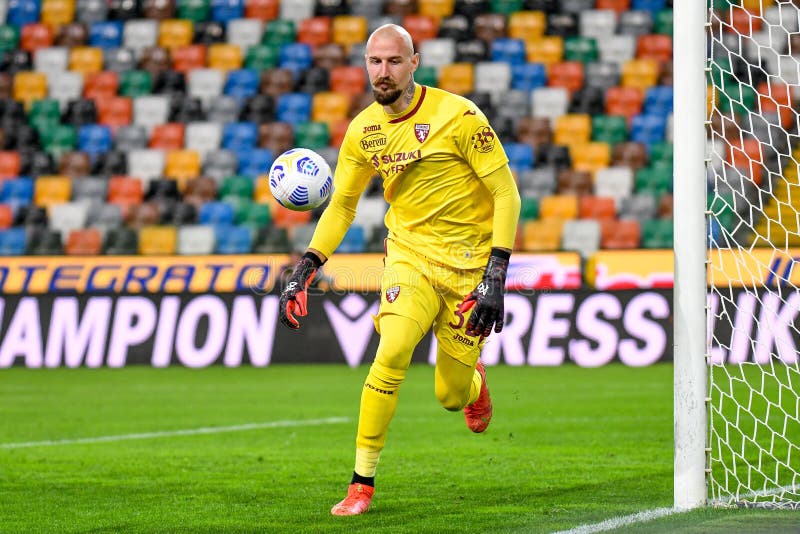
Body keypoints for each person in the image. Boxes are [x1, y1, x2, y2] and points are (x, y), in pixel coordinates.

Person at [278, 24, 521, 516]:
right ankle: (360, 484)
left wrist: (496, 274)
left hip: (468, 270)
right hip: (408, 258)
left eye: (393, 61)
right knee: (390, 352)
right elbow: (342, 206)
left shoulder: (459, 116)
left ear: (415, 62)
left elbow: (506, 194)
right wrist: (306, 266)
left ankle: (473, 382)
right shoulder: (364, 130)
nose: (382, 72)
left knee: (450, 397)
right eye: (374, 62)